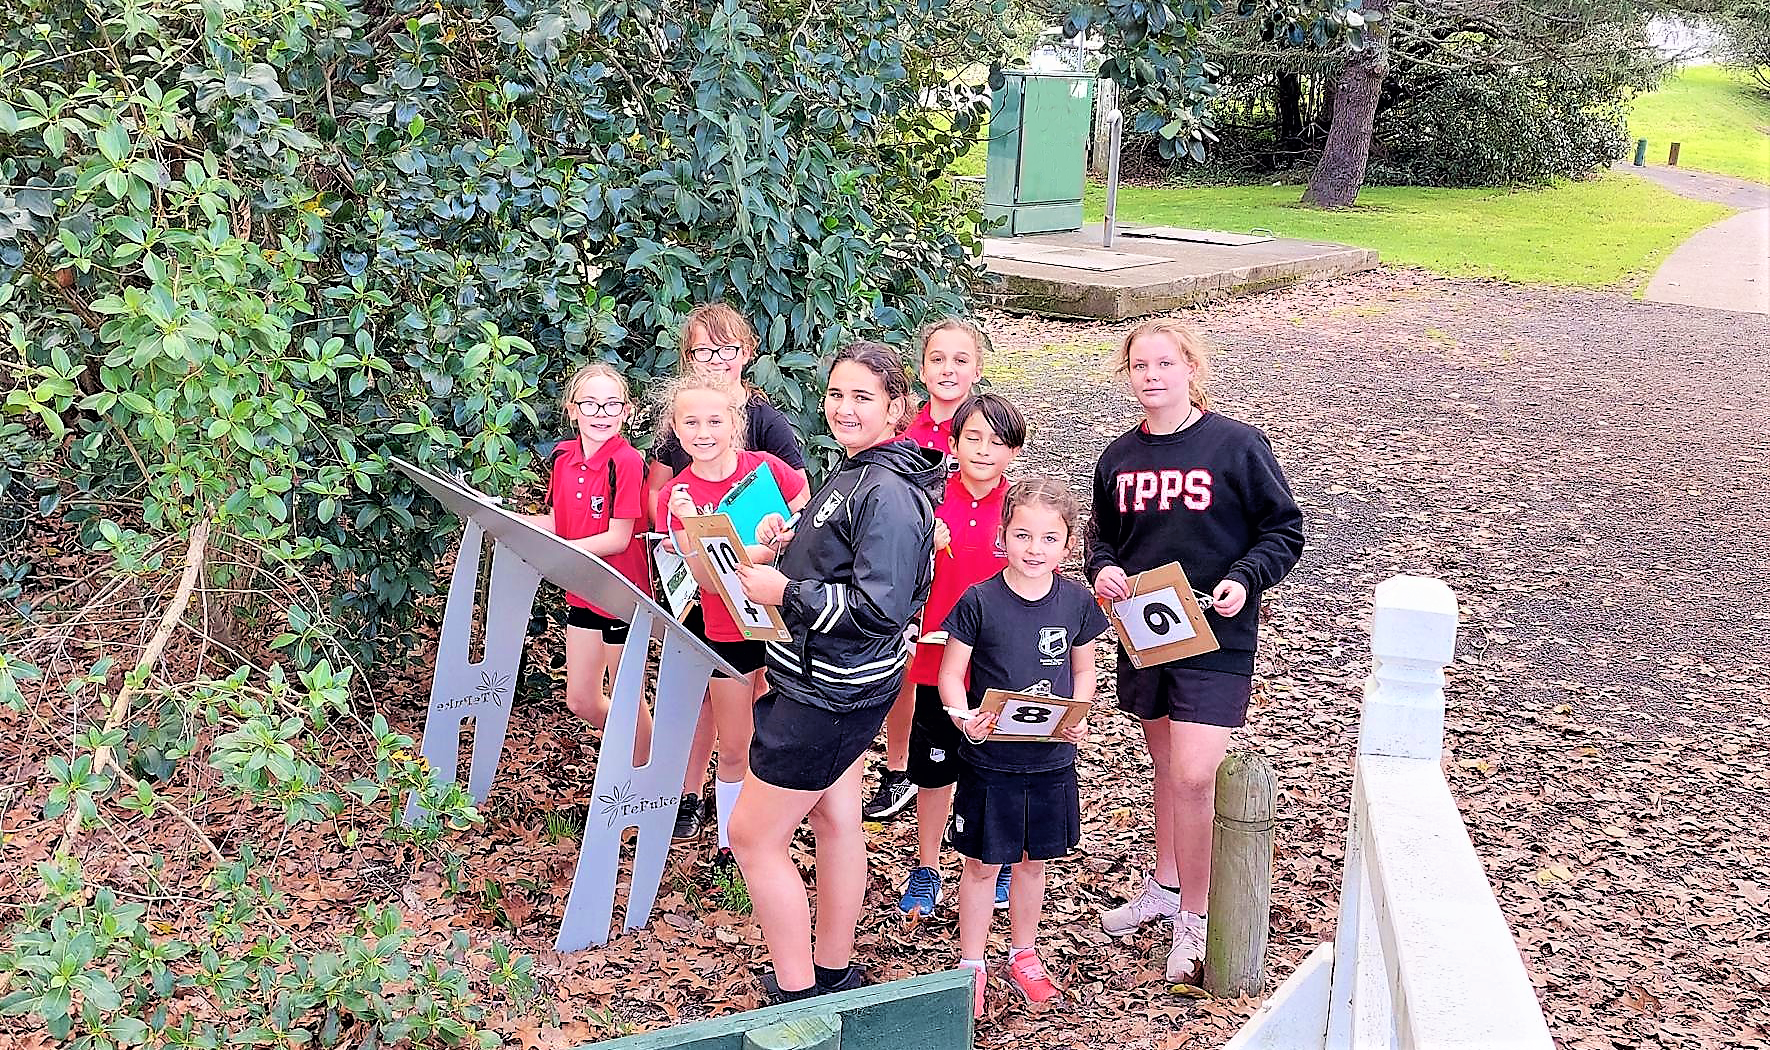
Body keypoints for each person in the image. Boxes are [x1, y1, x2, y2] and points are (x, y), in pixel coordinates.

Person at [1086, 318, 1304, 982]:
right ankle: (1166, 885)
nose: (1152, 376)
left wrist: (1245, 578)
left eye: (1164, 364)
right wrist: (1101, 570)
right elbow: (1102, 537)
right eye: (1140, 366)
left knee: (1193, 774)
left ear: (1190, 369)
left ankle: (1197, 919)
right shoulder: (1118, 459)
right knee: (1164, 766)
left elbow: (1284, 529)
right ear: (1128, 376)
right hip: (1148, 631)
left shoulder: (1237, 446)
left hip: (1217, 634)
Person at [728, 341, 945, 1003]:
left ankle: (797, 996)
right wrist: (792, 546)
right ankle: (832, 969)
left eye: (863, 397)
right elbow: (843, 559)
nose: (844, 409)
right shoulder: (856, 469)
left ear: (896, 408)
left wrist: (783, 593)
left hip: (829, 693)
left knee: (751, 836)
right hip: (835, 680)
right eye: (836, 394)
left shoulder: (889, 493)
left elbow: (878, 608)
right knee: (835, 820)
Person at [941, 477, 1109, 1018]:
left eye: (1048, 539)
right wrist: (963, 717)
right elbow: (951, 676)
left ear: (1068, 544)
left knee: (1033, 863)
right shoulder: (979, 600)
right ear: (1003, 535)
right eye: (1022, 535)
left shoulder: (1077, 602)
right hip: (991, 760)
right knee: (983, 866)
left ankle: (1023, 954)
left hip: (1051, 758)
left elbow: (1083, 669)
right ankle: (971, 964)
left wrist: (1078, 714)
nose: (1034, 549)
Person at [648, 304, 809, 844]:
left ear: (736, 425)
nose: (703, 432)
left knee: (776, 729)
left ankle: (769, 826)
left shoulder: (767, 469)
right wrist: (694, 528)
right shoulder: (678, 496)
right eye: (690, 424)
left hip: (782, 618)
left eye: (715, 422)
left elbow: (805, 505)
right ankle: (728, 839)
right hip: (726, 625)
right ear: (675, 430)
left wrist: (782, 532)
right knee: (736, 739)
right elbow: (700, 576)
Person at [893, 393, 1025, 921]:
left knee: (999, 766)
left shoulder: (1020, 509)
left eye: (997, 442)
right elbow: (894, 575)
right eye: (972, 438)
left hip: (1002, 667)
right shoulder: (925, 502)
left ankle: (997, 860)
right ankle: (926, 868)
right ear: (952, 443)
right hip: (935, 662)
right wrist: (925, 541)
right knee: (934, 771)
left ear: (1012, 453)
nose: (983, 450)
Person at [867, 318, 987, 822]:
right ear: (922, 367)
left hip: (966, 572)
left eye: (960, 360)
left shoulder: (985, 429)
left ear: (977, 370)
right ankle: (900, 771)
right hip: (909, 570)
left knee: (965, 671)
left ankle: (967, 783)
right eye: (938, 358)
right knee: (904, 672)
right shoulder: (906, 429)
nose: (948, 369)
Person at [524, 363, 651, 756]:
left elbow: (618, 537)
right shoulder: (563, 458)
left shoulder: (626, 462)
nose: (601, 414)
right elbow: (562, 523)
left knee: (628, 695)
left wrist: (562, 553)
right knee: (580, 700)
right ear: (572, 408)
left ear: (626, 411)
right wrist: (508, 521)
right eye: (591, 404)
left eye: (612, 405)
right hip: (582, 590)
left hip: (620, 594)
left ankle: (646, 772)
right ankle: (646, 748)